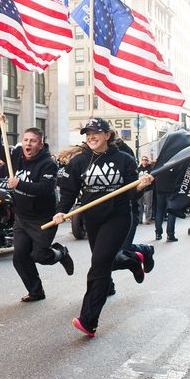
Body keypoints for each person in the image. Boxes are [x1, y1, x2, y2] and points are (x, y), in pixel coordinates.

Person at [51, 117, 152, 337]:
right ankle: (136, 258)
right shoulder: (79, 162)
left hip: (117, 217)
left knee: (98, 265)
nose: (91, 137)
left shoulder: (124, 160)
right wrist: (61, 210)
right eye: (88, 134)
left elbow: (130, 193)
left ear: (107, 135)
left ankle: (88, 320)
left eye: (96, 132)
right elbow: (68, 191)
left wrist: (141, 187)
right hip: (93, 219)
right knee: (106, 263)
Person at [0, 112, 73, 303]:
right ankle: (36, 291)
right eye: (25, 140)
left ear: (40, 144)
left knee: (40, 255)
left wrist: (18, 184)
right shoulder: (17, 155)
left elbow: (44, 189)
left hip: (43, 218)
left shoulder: (48, 164)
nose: (28, 144)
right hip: (22, 218)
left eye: (33, 141)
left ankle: (61, 253)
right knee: (19, 257)